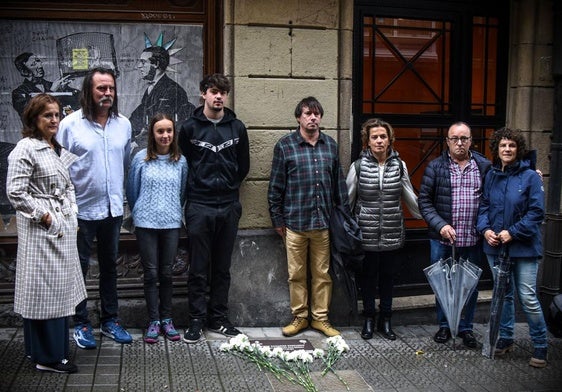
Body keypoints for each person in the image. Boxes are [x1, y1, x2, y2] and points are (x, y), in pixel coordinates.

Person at [6, 93, 87, 373]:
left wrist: (72, 212)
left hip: (61, 228)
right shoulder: (24, 148)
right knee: (46, 293)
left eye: (56, 114)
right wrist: (46, 217)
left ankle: (45, 352)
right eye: (47, 115)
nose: (54, 120)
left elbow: (67, 185)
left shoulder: (53, 147)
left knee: (58, 291)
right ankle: (49, 357)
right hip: (42, 233)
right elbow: (15, 192)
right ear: (34, 119)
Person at [56, 67, 133, 349]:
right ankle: (81, 323)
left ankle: (110, 321)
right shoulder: (69, 125)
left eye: (111, 88)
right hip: (80, 212)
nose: (107, 93)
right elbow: (59, 169)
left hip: (112, 210)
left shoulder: (123, 124)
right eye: (101, 88)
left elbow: (124, 163)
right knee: (78, 269)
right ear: (88, 91)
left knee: (110, 267)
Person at [268, 96, 350, 338]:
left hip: (322, 224)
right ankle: (300, 317)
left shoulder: (330, 145)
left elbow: (339, 185)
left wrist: (343, 217)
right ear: (298, 118)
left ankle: (321, 319)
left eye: (316, 114)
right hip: (294, 224)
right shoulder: (285, 146)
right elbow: (275, 187)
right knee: (296, 275)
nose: (312, 118)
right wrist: (277, 220)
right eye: (307, 113)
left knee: (323, 275)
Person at [178, 73, 249, 343]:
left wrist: (229, 188)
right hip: (199, 205)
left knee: (222, 268)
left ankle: (218, 318)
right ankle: (195, 320)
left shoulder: (237, 128)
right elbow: (184, 165)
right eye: (213, 91)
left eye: (222, 92)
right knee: (198, 268)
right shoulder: (189, 128)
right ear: (203, 94)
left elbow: (243, 167)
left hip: (228, 205)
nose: (218, 96)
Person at [476, 127, 548, 367]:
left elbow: (537, 212)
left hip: (524, 247)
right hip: (495, 247)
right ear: (496, 149)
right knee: (503, 295)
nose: (507, 150)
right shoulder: (491, 175)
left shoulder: (530, 177)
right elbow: (483, 206)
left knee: (527, 297)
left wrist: (513, 232)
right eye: (503, 146)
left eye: (512, 146)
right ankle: (505, 339)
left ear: (519, 150)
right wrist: (486, 230)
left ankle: (540, 345)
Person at [346, 118, 421, 340]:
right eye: (374, 137)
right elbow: (348, 201)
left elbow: (410, 197)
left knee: (388, 278)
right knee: (368, 278)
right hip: (366, 233)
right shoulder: (358, 166)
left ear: (390, 140)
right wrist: (347, 230)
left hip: (391, 231)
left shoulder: (399, 166)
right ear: (367, 142)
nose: (379, 141)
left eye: (383, 136)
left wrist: (432, 219)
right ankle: (368, 319)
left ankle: (386, 320)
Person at [418, 121, 491, 348]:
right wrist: (440, 225)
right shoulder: (435, 167)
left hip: (473, 239)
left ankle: (466, 328)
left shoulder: (484, 166)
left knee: (469, 286)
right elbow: (425, 202)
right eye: (455, 139)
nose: (459, 143)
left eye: (464, 139)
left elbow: (495, 196)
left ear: (471, 141)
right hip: (442, 238)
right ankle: (444, 325)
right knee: (443, 284)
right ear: (447, 141)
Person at [126, 113, 188, 344]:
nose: (165, 135)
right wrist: (142, 210)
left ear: (174, 133)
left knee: (167, 272)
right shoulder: (141, 159)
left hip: (171, 223)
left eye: (169, 131)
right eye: (160, 131)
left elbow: (182, 192)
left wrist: (169, 210)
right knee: (151, 273)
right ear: (152, 133)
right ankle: (153, 321)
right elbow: (132, 192)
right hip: (145, 224)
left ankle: (167, 319)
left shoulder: (180, 160)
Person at [129, 46, 195, 153]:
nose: (138, 66)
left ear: (155, 64)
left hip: (168, 152)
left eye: (143, 62)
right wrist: (125, 132)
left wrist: (137, 142)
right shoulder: (152, 88)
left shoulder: (172, 90)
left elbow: (160, 124)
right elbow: (137, 116)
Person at [12, 52, 80, 120]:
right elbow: (32, 115)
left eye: (38, 61)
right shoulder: (19, 93)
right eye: (33, 64)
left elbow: (80, 101)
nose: (40, 66)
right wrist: (52, 92)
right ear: (24, 71)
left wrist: (70, 91)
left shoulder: (52, 85)